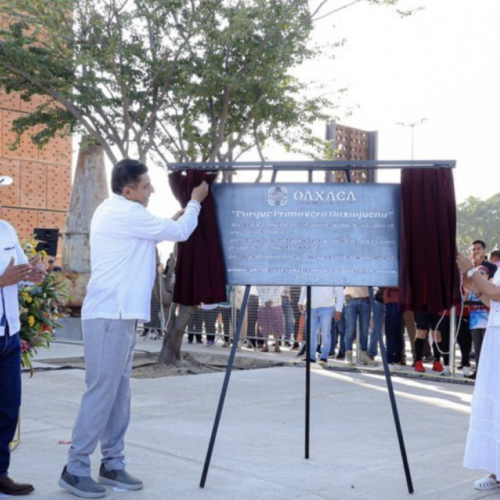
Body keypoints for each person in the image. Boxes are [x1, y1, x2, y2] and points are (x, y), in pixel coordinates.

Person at [59, 160, 208, 498]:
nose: (151, 190)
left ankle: (112, 463)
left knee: (118, 393)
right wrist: (196, 201)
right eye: (145, 186)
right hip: (110, 315)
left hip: (119, 315)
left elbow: (162, 227)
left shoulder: (119, 211)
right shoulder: (126, 213)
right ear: (128, 191)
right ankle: (75, 468)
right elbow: (181, 231)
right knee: (102, 392)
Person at [0, 176, 46, 496]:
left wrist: (34, 274)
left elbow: (20, 276)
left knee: (7, 407)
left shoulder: (6, 229)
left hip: (9, 336)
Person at [457, 251, 500, 492]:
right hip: (496, 335)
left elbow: (497, 292)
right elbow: (492, 301)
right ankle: (496, 470)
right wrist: (473, 287)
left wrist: (472, 270)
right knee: (494, 399)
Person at [298, 286, 343, 364]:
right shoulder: (311, 273)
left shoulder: (334, 274)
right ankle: (311, 356)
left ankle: (324, 357)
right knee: (311, 333)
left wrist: (338, 309)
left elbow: (340, 292)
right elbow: (306, 286)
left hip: (327, 308)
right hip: (312, 307)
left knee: (326, 333)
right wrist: (301, 301)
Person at [343, 286, 376, 366]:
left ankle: (363, 354)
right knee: (350, 329)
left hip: (366, 300)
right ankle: (348, 355)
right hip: (350, 299)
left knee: (365, 329)